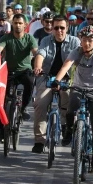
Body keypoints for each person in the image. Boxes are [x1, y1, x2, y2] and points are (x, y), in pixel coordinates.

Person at [51, 26, 93, 173]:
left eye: (90, 40)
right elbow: (66, 65)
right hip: (78, 88)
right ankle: (68, 130)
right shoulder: (77, 52)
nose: (86, 43)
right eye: (84, 40)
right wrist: (57, 80)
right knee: (70, 111)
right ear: (80, 40)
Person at [33, 15, 80, 153]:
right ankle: (39, 141)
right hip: (48, 78)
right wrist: (38, 67)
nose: (59, 31)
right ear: (52, 29)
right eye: (56, 28)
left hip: (67, 79)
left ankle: (66, 127)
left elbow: (77, 59)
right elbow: (40, 55)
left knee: (66, 98)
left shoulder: (75, 41)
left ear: (67, 28)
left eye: (62, 28)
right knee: (40, 103)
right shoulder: (46, 40)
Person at [0, 13, 38, 142]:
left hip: (25, 70)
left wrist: (37, 66)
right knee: (2, 102)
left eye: (20, 23)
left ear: (25, 25)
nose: (18, 25)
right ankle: (2, 132)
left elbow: (36, 53)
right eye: (15, 23)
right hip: (8, 71)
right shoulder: (6, 38)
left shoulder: (30, 38)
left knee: (30, 82)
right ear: (12, 24)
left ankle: (23, 108)